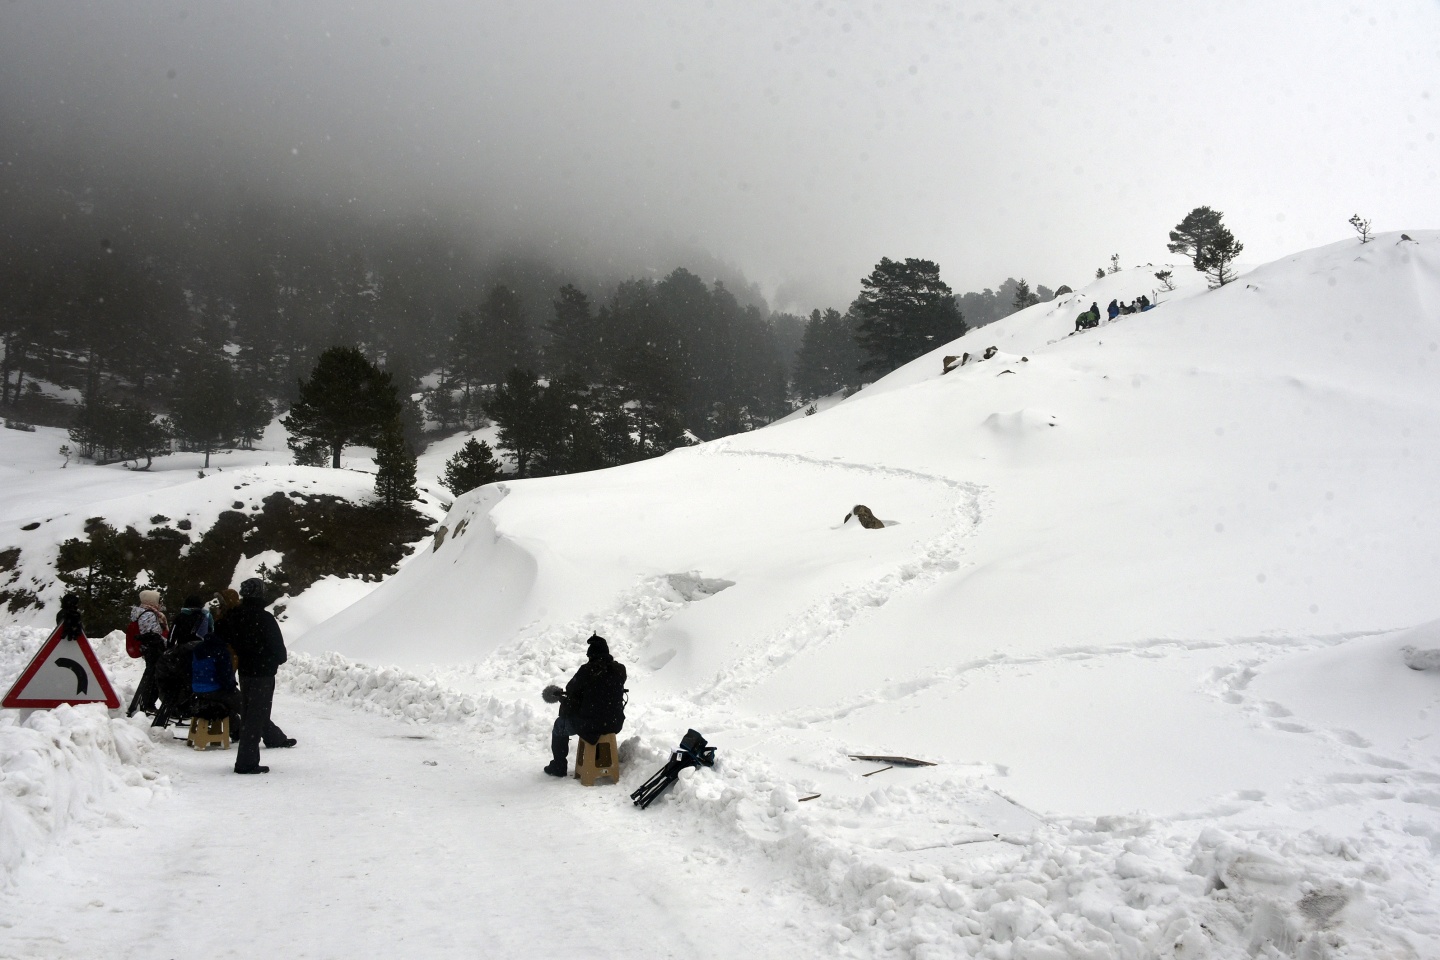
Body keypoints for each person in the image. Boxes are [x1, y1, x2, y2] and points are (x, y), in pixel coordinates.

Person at [223, 578, 296, 774]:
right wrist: (270, 659)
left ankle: (251, 756)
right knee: (256, 716)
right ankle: (246, 762)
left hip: (245, 671)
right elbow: (280, 653)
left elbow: (223, 638)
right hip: (263, 673)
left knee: (250, 714)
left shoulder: (234, 616)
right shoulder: (264, 618)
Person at [543, 634, 627, 777]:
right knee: (598, 714)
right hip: (615, 723)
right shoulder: (620, 670)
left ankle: (559, 766)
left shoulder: (587, 670)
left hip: (590, 725)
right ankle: (600, 756)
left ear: (591, 655)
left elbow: (570, 688)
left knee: (559, 726)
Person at [191, 616, 243, 737]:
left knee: (227, 704)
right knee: (247, 706)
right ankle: (271, 735)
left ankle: (237, 731)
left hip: (197, 688)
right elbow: (224, 677)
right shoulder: (221, 650)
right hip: (213, 688)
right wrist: (231, 687)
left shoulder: (199, 647)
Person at [126, 589, 169, 717]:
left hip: (147, 649)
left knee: (150, 675)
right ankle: (148, 703)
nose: (160, 603)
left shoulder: (141, 612)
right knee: (154, 677)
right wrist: (166, 641)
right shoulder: (148, 614)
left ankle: (145, 703)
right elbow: (153, 634)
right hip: (153, 649)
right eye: (158, 600)